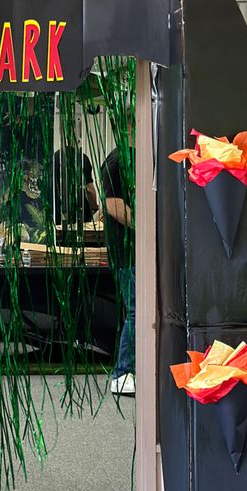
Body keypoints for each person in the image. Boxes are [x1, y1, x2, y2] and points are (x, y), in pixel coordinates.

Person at [100, 140, 135, 395]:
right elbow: (112, 205)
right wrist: (144, 224)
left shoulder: (130, 157)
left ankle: (129, 370)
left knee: (137, 311)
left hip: (133, 253)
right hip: (126, 254)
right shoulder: (117, 161)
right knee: (136, 311)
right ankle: (122, 372)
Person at [52, 145, 99, 228]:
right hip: (80, 212)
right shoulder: (82, 158)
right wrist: (94, 207)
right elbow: (89, 189)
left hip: (57, 211)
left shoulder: (54, 158)